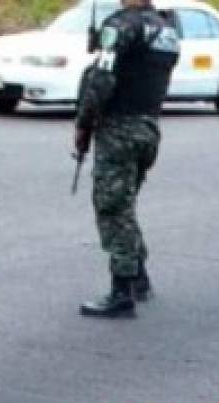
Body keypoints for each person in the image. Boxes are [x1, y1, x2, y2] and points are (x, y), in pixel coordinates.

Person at [75, 0, 179, 319]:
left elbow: (102, 79)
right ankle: (139, 277)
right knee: (125, 205)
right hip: (149, 127)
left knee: (113, 208)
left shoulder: (120, 26)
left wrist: (84, 123)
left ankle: (122, 292)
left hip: (119, 128)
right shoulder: (166, 29)